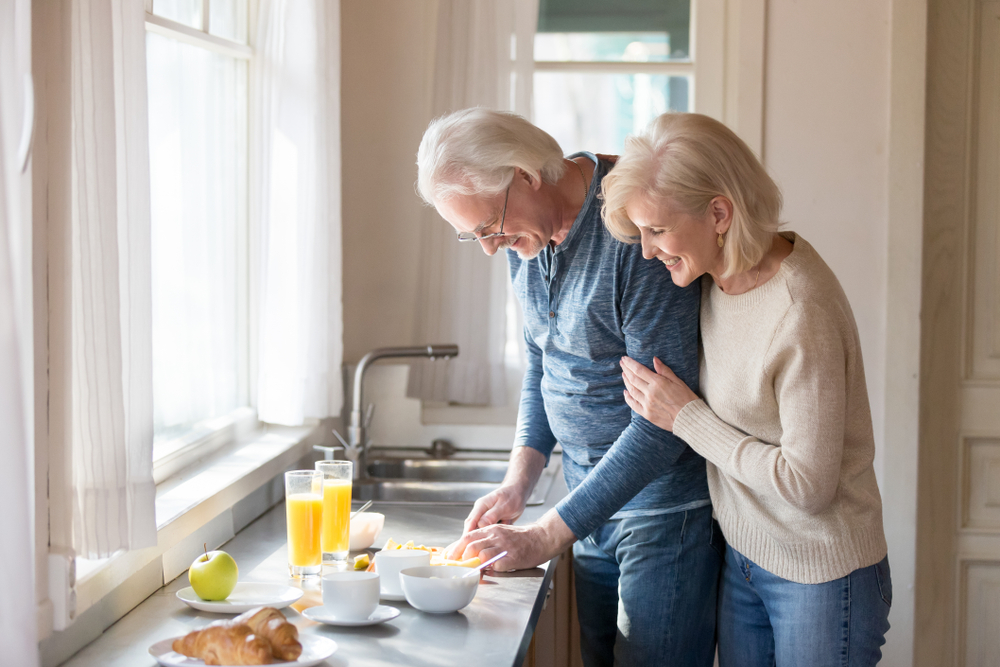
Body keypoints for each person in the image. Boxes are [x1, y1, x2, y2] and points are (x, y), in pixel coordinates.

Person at [416, 108, 721, 666]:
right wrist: (518, 482)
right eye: (473, 236)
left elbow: (663, 424)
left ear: (525, 176)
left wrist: (545, 535)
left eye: (488, 227)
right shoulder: (525, 241)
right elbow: (542, 357)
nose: (489, 247)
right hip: (587, 507)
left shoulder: (635, 229)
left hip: (659, 515)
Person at [604, 112, 891, 666]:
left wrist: (684, 417)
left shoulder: (798, 311)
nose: (645, 251)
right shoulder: (714, 276)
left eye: (657, 230)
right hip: (744, 559)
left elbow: (808, 485)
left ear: (719, 212)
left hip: (822, 575)